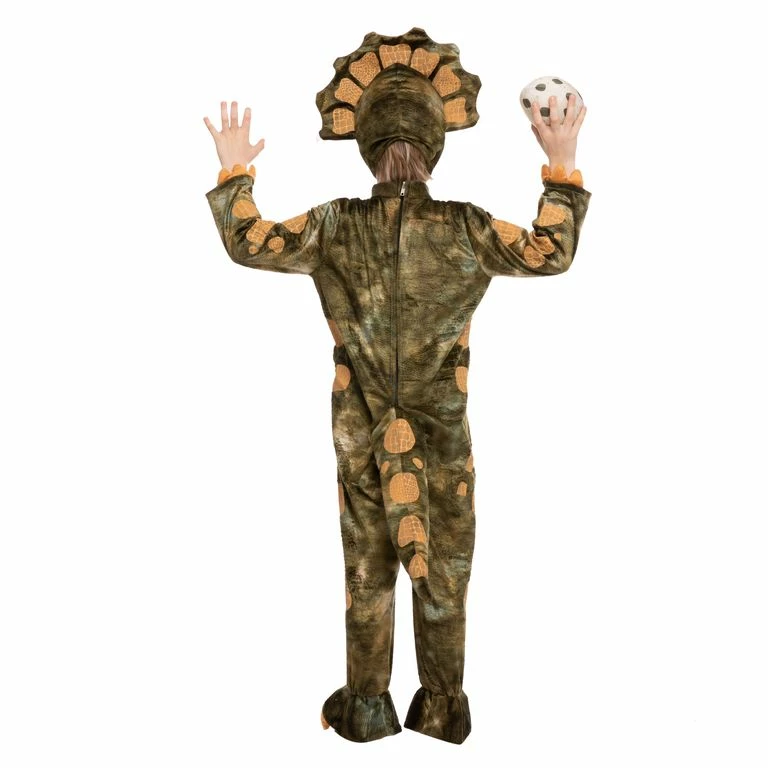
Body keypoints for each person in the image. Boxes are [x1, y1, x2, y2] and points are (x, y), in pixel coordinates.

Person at [203, 27, 590, 745]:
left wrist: (235, 173)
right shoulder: (465, 228)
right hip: (443, 439)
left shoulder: (334, 225)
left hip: (361, 436)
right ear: (436, 143)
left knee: (368, 574)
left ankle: (367, 706)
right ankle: (442, 707)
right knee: (444, 573)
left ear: (365, 143)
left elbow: (247, 242)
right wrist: (560, 165)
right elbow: (551, 251)